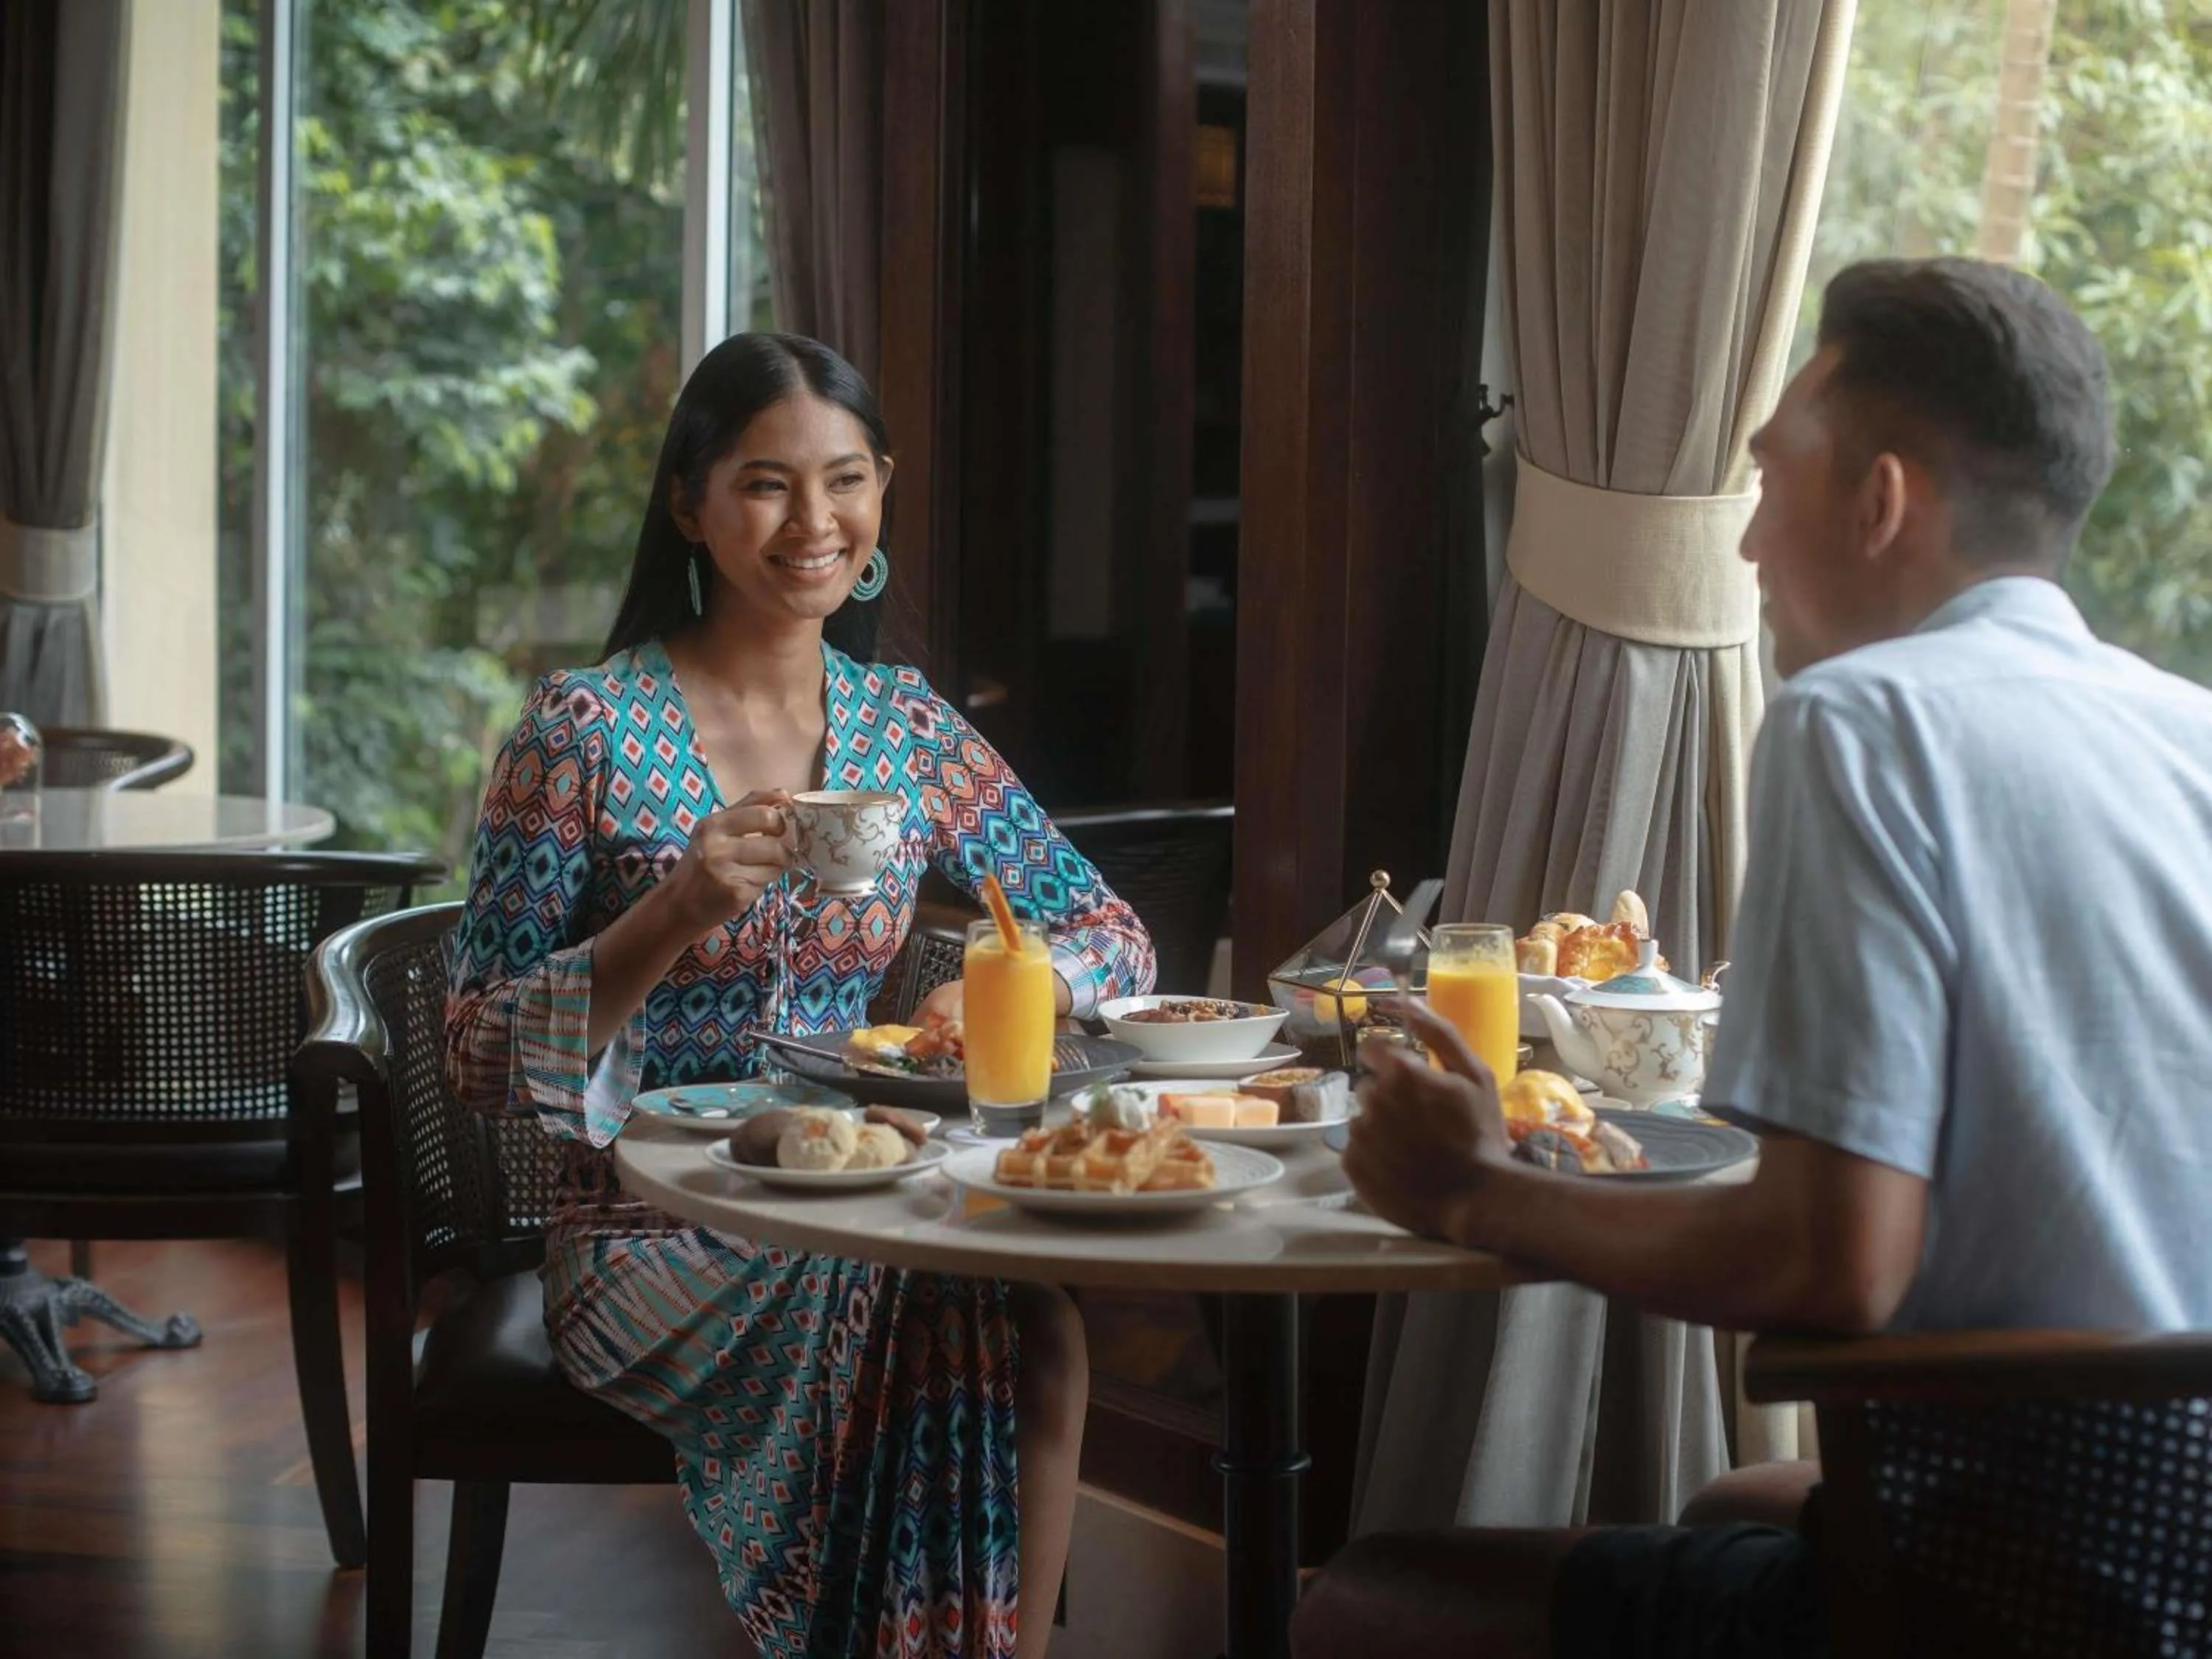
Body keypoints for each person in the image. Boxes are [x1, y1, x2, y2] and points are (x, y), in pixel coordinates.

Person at [1295, 257, 2212, 1658]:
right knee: (1737, 1494)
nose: (1747, 545)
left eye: (1771, 479)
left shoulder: (1864, 720)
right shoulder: (2186, 732)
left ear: (1881, 500)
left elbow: (1833, 1261)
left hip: (2047, 1584)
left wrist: (1475, 1190)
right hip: (2187, 1530)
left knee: (1358, 1601)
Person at [445, 332, 1156, 1659]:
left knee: (1037, 1326)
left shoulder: (911, 730)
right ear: (690, 503)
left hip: (868, 1200)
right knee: (941, 1312)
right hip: (646, 1230)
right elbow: (475, 1053)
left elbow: (1108, 929)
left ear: (883, 488)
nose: (813, 522)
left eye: (844, 479)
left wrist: (1018, 981)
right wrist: (673, 911)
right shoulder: (580, 730)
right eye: (767, 483)